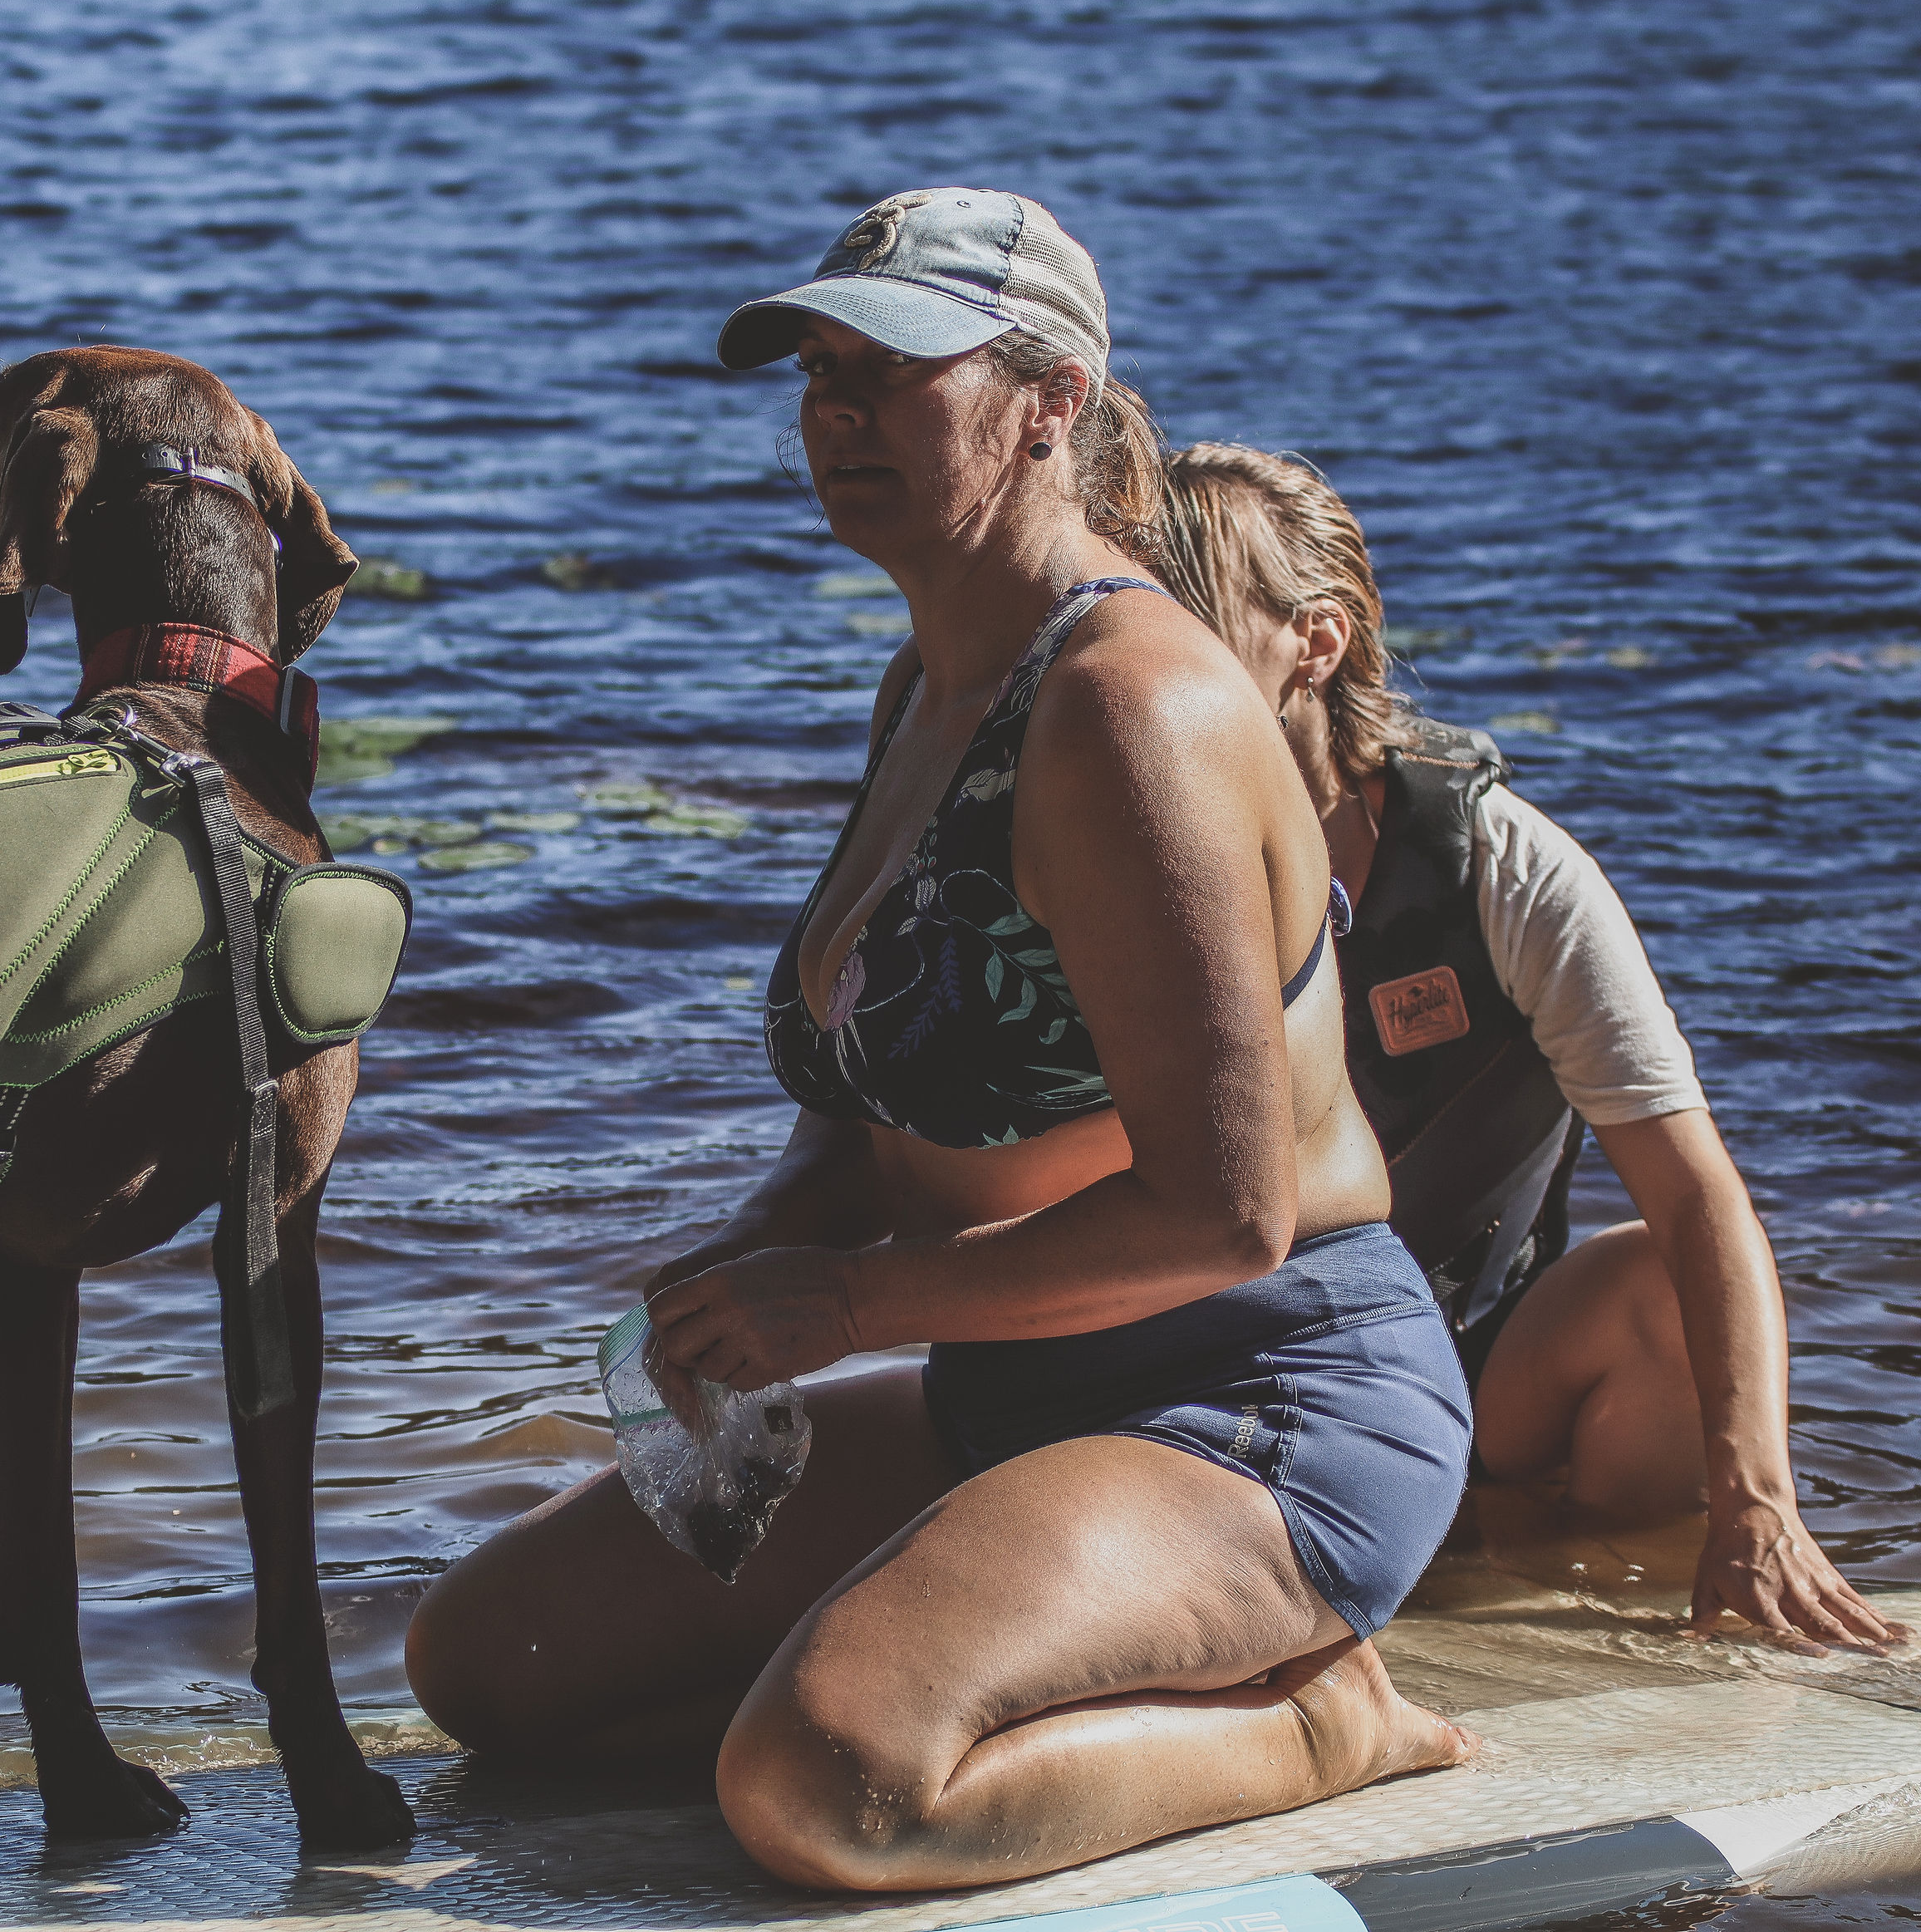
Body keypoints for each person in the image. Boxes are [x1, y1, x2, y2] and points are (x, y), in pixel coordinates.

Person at [402, 190, 1476, 1893]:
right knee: (489, 1670)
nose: (837, 411)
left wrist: (845, 1307)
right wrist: (749, 1257)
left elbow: (1229, 1217)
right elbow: (865, 1100)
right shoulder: (928, 687)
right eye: (817, 373)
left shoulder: (1129, 707)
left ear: (1051, 402)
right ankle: (993, 1664)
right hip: (1011, 1386)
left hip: (1261, 1402)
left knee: (826, 1791)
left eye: (893, 369)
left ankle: (1322, 1718)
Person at [1154, 443, 1904, 1654]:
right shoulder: (1112, 856)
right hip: (1201, 1365)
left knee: (1656, 1288)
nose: (1145, 646)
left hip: (1463, 1359)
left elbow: (1698, 1198)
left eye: (1188, 604)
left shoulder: (1507, 872)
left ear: (1317, 643)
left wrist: (1761, 1503)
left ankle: (1564, 1584)